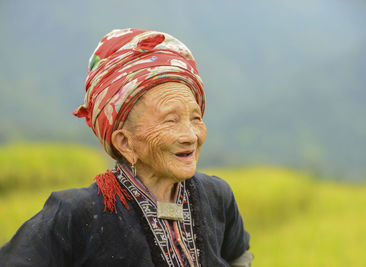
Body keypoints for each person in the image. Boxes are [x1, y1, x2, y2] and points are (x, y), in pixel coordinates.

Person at [0, 28, 253, 267]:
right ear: (125, 142)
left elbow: (238, 256)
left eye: (195, 118)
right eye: (170, 120)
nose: (190, 135)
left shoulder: (217, 195)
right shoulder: (76, 214)